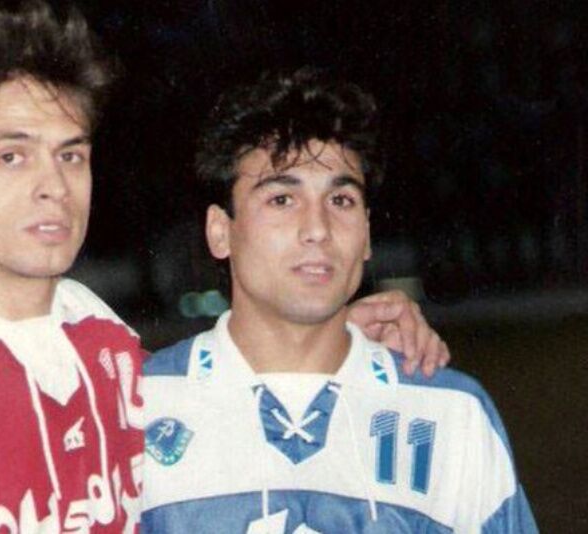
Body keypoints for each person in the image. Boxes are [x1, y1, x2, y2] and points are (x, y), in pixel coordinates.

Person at [0, 3, 448, 532]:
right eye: (12, 157)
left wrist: (330, 332)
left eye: (70, 155)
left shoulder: (97, 337)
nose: (53, 186)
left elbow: (215, 403)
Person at [142, 68, 537, 533]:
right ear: (219, 231)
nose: (317, 229)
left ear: (366, 232)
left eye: (341, 201)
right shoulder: (140, 407)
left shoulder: (451, 414)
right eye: (282, 199)